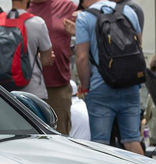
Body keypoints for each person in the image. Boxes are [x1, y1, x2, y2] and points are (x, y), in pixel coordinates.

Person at [74, 0, 143, 154]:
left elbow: (82, 58)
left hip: (101, 87)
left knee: (99, 143)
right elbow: (138, 47)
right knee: (132, 140)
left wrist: (85, 86)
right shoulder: (128, 11)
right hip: (130, 84)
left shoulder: (84, 18)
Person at [26, 0, 72, 134]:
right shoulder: (23, 9)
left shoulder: (66, 6)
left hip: (58, 89)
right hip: (28, 88)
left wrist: (77, 30)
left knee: (60, 137)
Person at [5, 0, 54, 101]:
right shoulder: (37, 23)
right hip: (31, 92)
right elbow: (47, 58)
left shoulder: (1, 20)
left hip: (4, 92)